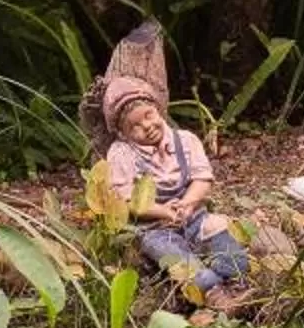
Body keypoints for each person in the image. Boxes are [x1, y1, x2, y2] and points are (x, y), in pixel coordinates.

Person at [100, 72, 250, 307]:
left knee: (217, 228)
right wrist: (163, 211)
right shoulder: (122, 153)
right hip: (155, 226)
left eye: (149, 115)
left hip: (193, 215)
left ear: (158, 110)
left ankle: (236, 282)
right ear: (124, 133)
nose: (147, 126)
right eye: (135, 126)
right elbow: (125, 199)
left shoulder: (186, 140)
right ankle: (212, 293)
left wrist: (188, 203)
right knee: (172, 255)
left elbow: (202, 178)